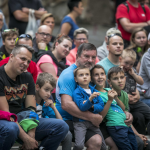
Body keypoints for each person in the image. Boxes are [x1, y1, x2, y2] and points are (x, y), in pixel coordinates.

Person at [55, 43, 133, 150]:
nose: (90, 60)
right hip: (67, 120)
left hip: (90, 119)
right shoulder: (69, 75)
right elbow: (66, 104)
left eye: (93, 57)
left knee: (116, 143)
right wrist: (91, 117)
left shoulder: (90, 74)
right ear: (77, 56)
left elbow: (105, 98)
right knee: (96, 141)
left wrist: (124, 113)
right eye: (86, 56)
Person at [0, 44, 69, 150]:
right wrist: (26, 139)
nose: (26, 64)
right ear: (12, 56)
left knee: (61, 126)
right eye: (22, 59)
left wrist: (31, 134)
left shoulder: (27, 77)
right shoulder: (1, 77)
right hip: (5, 121)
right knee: (12, 128)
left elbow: (31, 109)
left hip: (23, 120)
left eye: (28, 61)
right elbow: (8, 114)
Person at [91, 65, 149, 150]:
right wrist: (110, 100)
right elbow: (101, 116)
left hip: (123, 125)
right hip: (113, 126)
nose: (100, 77)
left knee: (137, 145)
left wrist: (116, 99)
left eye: (102, 74)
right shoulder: (95, 94)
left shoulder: (109, 91)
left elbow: (123, 111)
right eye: (96, 74)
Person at [35, 72, 72, 150]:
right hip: (32, 129)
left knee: (68, 134)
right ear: (37, 87)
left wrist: (53, 108)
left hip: (44, 131)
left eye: (51, 91)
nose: (49, 94)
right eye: (46, 90)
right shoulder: (29, 101)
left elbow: (61, 123)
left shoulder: (46, 105)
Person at [72, 66, 106, 150]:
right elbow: (82, 107)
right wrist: (90, 99)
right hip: (80, 123)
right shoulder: (76, 92)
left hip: (93, 122)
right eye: (81, 75)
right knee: (79, 145)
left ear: (90, 78)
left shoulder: (95, 91)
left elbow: (101, 106)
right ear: (76, 79)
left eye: (87, 74)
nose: (84, 76)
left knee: (103, 147)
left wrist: (91, 105)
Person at [120, 49, 150, 137]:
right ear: (120, 59)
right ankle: (130, 135)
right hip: (124, 102)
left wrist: (133, 74)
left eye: (131, 64)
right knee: (127, 117)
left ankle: (146, 132)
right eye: (126, 63)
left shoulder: (132, 70)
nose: (128, 66)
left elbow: (141, 82)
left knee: (148, 111)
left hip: (135, 101)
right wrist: (120, 72)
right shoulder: (117, 71)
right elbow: (114, 87)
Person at [36, 34, 72, 99]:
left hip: (60, 95)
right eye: (65, 46)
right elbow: (54, 80)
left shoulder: (68, 63)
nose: (67, 50)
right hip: (43, 95)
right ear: (57, 44)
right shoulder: (46, 57)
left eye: (69, 48)